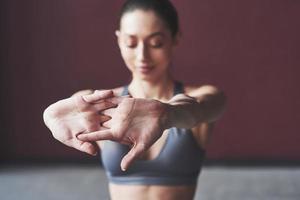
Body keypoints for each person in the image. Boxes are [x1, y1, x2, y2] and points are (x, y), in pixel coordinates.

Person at [43, 0, 227, 199]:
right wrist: (47, 117)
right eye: (131, 43)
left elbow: (202, 108)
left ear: (175, 39)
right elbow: (70, 110)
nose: (142, 56)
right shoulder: (95, 105)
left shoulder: (202, 97)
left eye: (156, 43)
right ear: (119, 40)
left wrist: (168, 113)